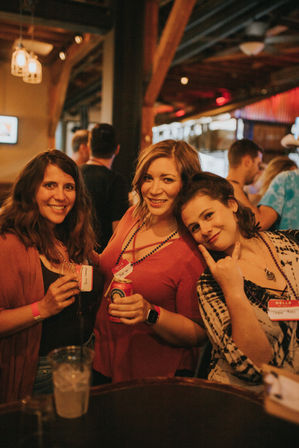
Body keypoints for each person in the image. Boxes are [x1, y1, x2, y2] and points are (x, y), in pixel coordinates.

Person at [92, 139, 207, 384]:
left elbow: (198, 333)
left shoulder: (192, 248)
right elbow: (109, 265)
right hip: (103, 356)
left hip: (153, 374)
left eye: (167, 179)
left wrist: (150, 313)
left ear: (186, 185)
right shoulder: (133, 216)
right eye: (148, 178)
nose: (154, 190)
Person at [178, 172, 299, 392]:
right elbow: (254, 367)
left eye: (208, 215)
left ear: (232, 205)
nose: (204, 230)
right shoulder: (210, 285)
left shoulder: (292, 242)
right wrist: (233, 291)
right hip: (246, 406)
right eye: (194, 227)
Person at [0, 150, 104, 403]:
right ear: (30, 189)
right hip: (39, 371)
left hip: (85, 360)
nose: (61, 196)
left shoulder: (70, 236)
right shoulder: (9, 242)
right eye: (50, 185)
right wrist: (43, 308)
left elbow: (104, 267)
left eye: (69, 186)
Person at [81, 123, 129, 252]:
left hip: (73, 249)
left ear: (88, 147)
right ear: (117, 149)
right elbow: (118, 229)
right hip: (101, 254)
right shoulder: (116, 181)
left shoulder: (75, 173)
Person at [226, 138, 263, 216]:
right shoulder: (231, 188)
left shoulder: (233, 188)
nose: (259, 171)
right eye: (258, 165)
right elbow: (258, 221)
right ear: (247, 162)